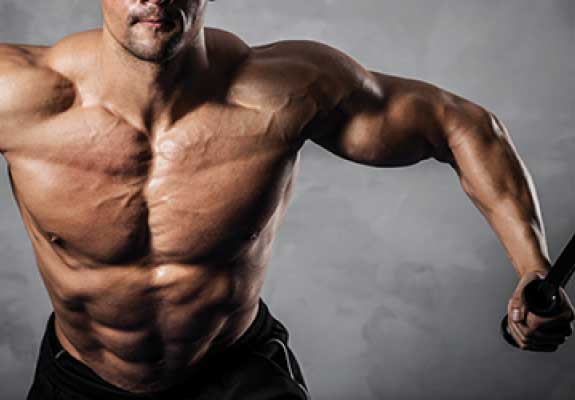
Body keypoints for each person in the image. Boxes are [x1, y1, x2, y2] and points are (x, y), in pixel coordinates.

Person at [0, 0, 572, 399]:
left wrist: (532, 266)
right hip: (79, 380)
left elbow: (460, 125)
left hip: (237, 373)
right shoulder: (19, 98)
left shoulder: (279, 93)